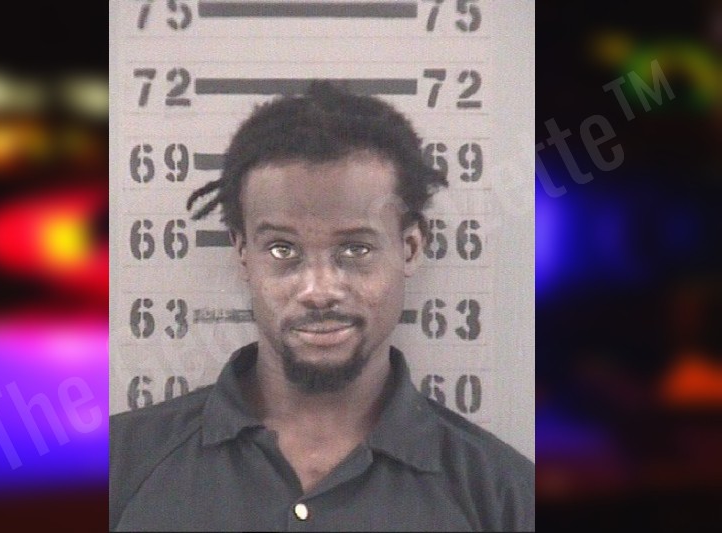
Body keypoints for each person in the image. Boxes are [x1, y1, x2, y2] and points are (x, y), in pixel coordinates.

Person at [110, 81, 535, 531]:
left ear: (410, 248)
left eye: (356, 249)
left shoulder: (502, 497)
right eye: (282, 249)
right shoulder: (116, 466)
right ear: (243, 254)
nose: (318, 290)